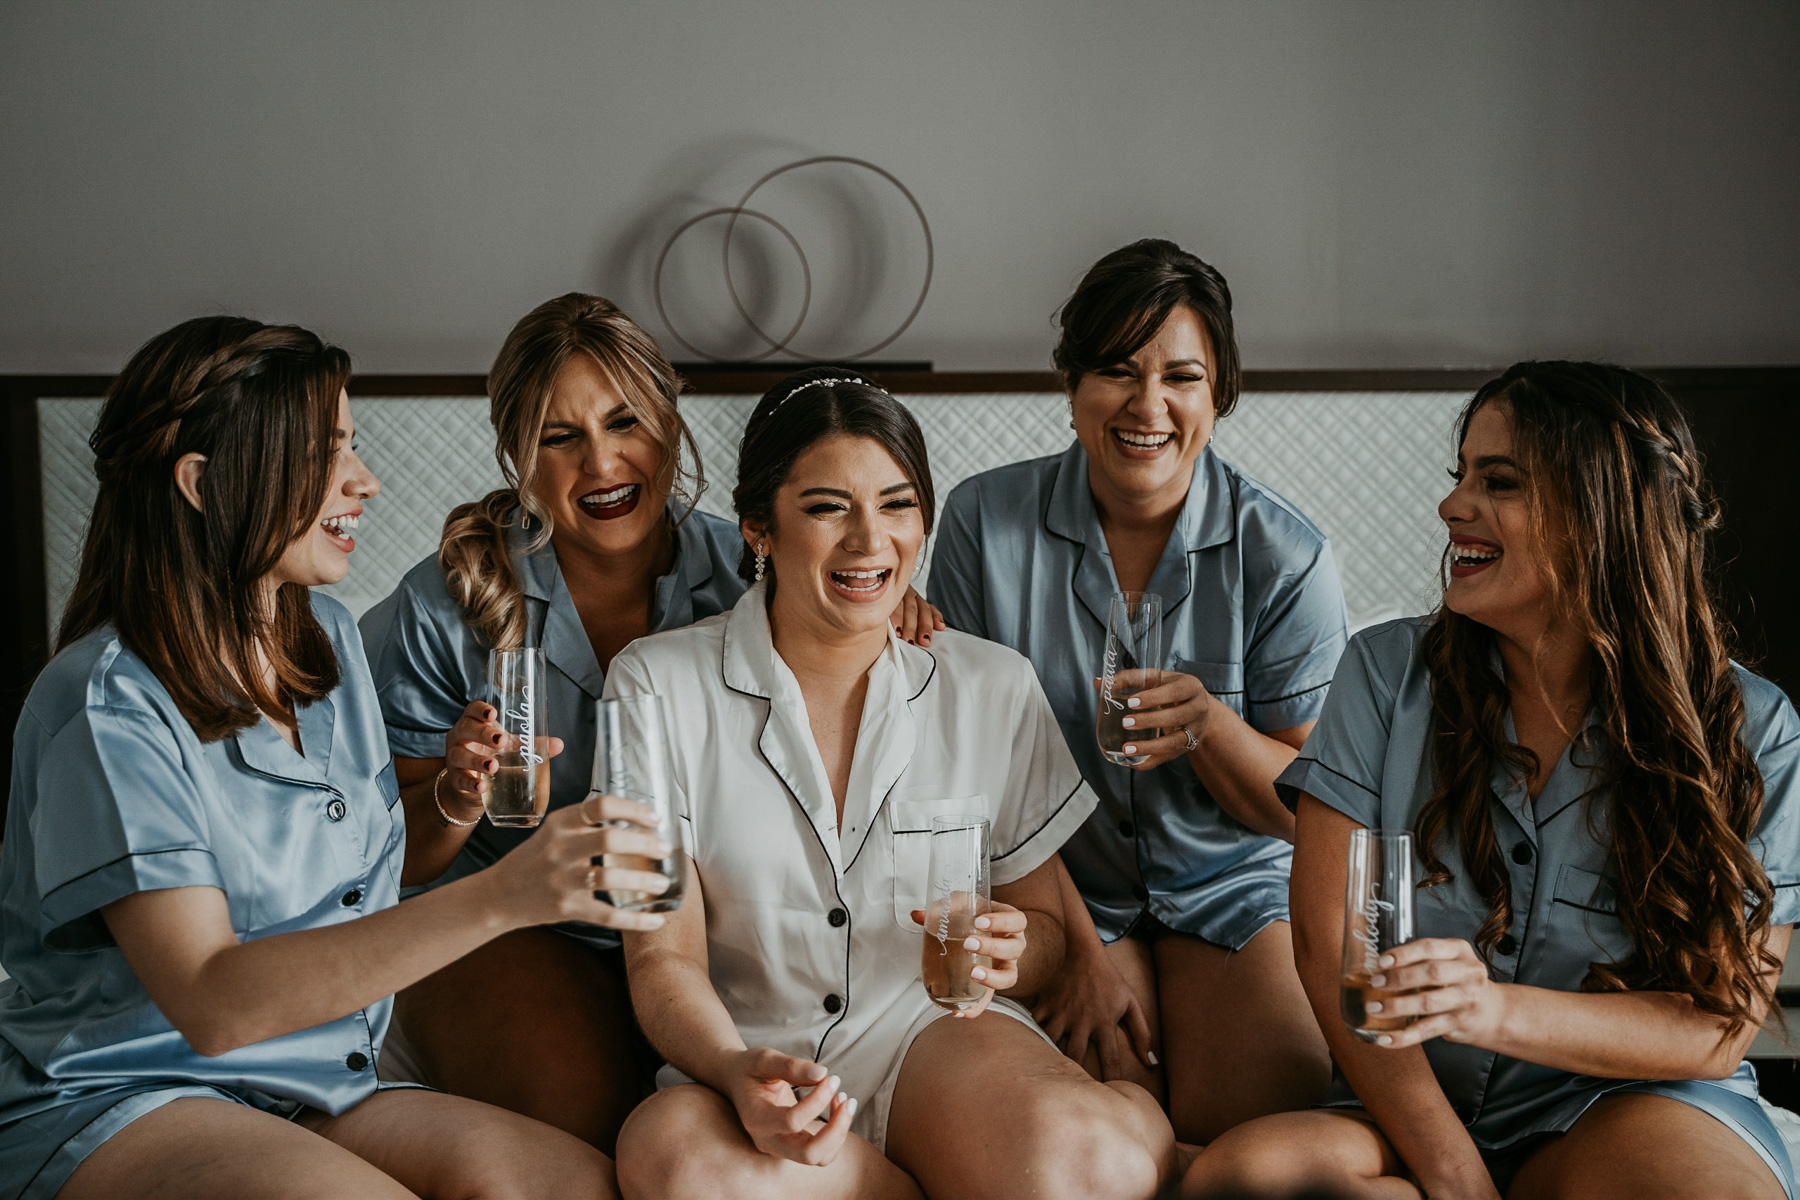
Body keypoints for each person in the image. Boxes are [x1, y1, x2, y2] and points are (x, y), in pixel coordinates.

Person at [0, 316, 669, 1200]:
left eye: (351, 447)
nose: (365, 480)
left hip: (315, 1080)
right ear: (203, 483)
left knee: (577, 1186)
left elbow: (380, 878)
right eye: (326, 454)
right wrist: (507, 893)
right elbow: (214, 1001)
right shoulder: (109, 703)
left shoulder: (327, 643)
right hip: (133, 1093)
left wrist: (452, 803)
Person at [1186, 361, 1798, 1200]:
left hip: (1625, 1105)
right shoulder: (1382, 674)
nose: (1451, 507)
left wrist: (1488, 1010)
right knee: (1245, 1180)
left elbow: (1717, 1027)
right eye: (1461, 476)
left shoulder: (1753, 729)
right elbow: (1333, 952)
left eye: (1498, 481)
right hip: (1414, 1105)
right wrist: (1454, 1175)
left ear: (1600, 511)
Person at [360, 294, 942, 1150]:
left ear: (670, 423)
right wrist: (455, 794)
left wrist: (874, 594)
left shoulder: (754, 566)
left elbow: (857, 590)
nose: (601, 461)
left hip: (707, 923)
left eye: (625, 422)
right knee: (591, 1125)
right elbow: (393, 860)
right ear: (521, 454)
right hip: (512, 917)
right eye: (560, 437)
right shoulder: (442, 608)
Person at [606, 369, 1177, 1200]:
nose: (870, 541)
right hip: (752, 1055)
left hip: (936, 1037)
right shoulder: (655, 686)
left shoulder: (991, 686)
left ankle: (1086, 1133)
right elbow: (663, 959)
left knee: (1093, 1167)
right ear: (759, 527)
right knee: (679, 1165)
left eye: (898, 505)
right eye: (828, 506)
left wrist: (1015, 947)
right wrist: (734, 1070)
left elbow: (1046, 930)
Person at [927, 239, 1343, 1140]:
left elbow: (1307, 812)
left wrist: (1210, 726)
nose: (1148, 406)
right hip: (1059, 881)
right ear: (1071, 384)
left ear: (1219, 393)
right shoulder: (981, 522)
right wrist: (1077, 950)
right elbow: (972, 770)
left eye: (1182, 377)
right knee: (1102, 1130)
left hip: (1234, 886)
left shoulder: (1288, 558)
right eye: (1116, 370)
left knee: (1261, 1131)